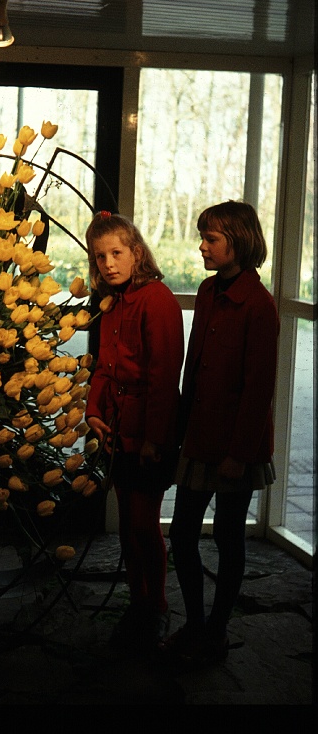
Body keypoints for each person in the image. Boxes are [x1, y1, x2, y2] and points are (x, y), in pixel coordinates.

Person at [161, 200, 279, 671]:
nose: (202, 247)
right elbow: (195, 368)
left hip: (236, 447)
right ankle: (195, 623)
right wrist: (181, 430)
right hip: (200, 437)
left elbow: (258, 390)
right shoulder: (210, 291)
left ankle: (217, 629)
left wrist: (238, 454)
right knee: (184, 535)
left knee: (230, 538)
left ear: (239, 241)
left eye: (211, 239)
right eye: (203, 237)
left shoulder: (260, 305)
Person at [85, 211, 184, 656]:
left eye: (117, 253)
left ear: (137, 253)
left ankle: (157, 606)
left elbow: (164, 377)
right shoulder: (112, 303)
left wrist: (153, 439)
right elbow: (105, 367)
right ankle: (138, 602)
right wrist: (94, 412)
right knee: (127, 523)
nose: (108, 263)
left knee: (145, 524)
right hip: (119, 429)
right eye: (100, 256)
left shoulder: (156, 299)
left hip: (149, 431)